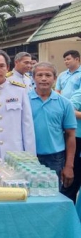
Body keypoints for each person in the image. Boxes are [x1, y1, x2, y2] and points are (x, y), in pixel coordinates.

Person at [29, 62, 76, 192]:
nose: (44, 78)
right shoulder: (24, 100)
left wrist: (69, 166)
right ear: (33, 78)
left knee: (53, 194)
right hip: (28, 158)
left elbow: (71, 135)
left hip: (55, 158)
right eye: (40, 75)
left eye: (48, 75)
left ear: (55, 79)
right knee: (29, 194)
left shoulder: (65, 104)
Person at [56, 50, 81, 203]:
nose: (66, 62)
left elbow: (74, 101)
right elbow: (57, 92)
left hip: (77, 128)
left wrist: (66, 109)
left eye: (68, 59)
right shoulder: (62, 75)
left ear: (77, 59)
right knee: (69, 166)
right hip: (68, 131)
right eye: (64, 59)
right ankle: (67, 201)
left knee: (75, 168)